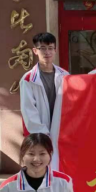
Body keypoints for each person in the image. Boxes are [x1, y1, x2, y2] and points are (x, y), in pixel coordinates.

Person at [20, 33, 69, 170]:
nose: (47, 52)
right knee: (40, 167)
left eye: (50, 48)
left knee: (61, 167)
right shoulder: (28, 79)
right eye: (42, 48)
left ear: (55, 50)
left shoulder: (65, 76)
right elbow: (28, 110)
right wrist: (43, 134)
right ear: (35, 51)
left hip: (61, 132)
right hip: (40, 133)